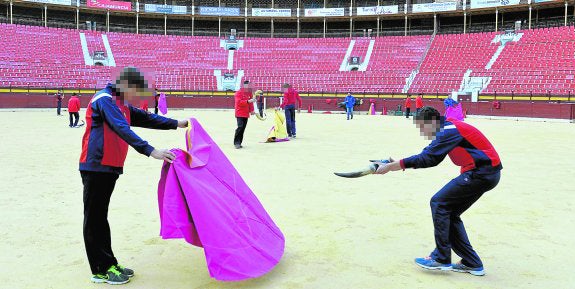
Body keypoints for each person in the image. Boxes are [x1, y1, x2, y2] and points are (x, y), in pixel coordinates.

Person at [79, 67, 188, 285]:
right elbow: (121, 128)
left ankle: (108, 262)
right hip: (96, 165)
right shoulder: (104, 99)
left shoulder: (121, 104)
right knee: (95, 218)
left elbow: (147, 119)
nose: (137, 97)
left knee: (100, 217)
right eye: (136, 91)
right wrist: (151, 151)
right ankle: (100, 269)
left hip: (109, 166)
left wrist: (177, 124)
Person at [373, 106, 502, 277]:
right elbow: (428, 156)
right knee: (450, 213)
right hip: (486, 173)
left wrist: (391, 167)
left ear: (431, 122)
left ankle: (441, 258)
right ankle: (472, 263)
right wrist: (396, 164)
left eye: (422, 127)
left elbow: (429, 158)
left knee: (439, 202)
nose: (422, 132)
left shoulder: (448, 130)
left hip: (481, 174)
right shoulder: (449, 128)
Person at [234, 80, 256, 149]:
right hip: (239, 113)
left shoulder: (249, 93)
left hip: (246, 113)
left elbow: (251, 103)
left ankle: (239, 142)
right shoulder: (238, 93)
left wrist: (252, 110)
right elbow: (239, 102)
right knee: (240, 127)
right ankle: (236, 143)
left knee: (243, 128)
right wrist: (248, 101)